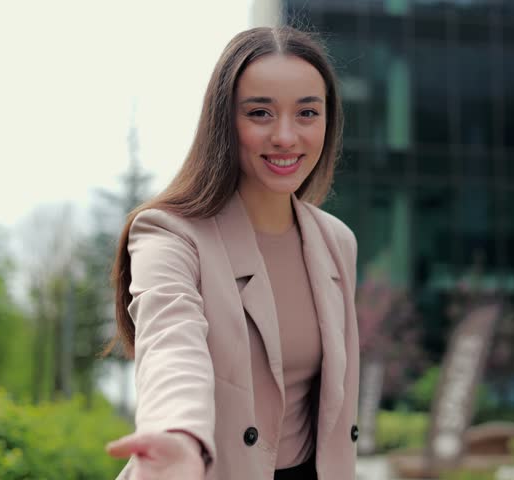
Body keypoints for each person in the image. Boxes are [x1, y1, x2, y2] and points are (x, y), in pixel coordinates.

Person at [103, 26, 360, 480]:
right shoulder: (169, 235)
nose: (285, 136)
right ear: (223, 120)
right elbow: (171, 346)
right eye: (260, 112)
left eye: (307, 113)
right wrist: (178, 436)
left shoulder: (337, 242)